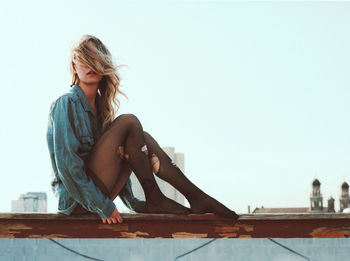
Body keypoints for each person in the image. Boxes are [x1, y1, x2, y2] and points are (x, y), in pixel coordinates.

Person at [46, 34, 239, 225]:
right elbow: (68, 168)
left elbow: (112, 164)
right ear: (74, 67)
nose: (91, 66)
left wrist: (134, 203)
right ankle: (167, 198)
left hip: (100, 196)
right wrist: (104, 207)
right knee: (129, 122)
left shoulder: (102, 112)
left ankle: (195, 197)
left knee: (140, 137)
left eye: (96, 60)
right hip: (77, 203)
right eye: (85, 59)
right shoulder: (65, 104)